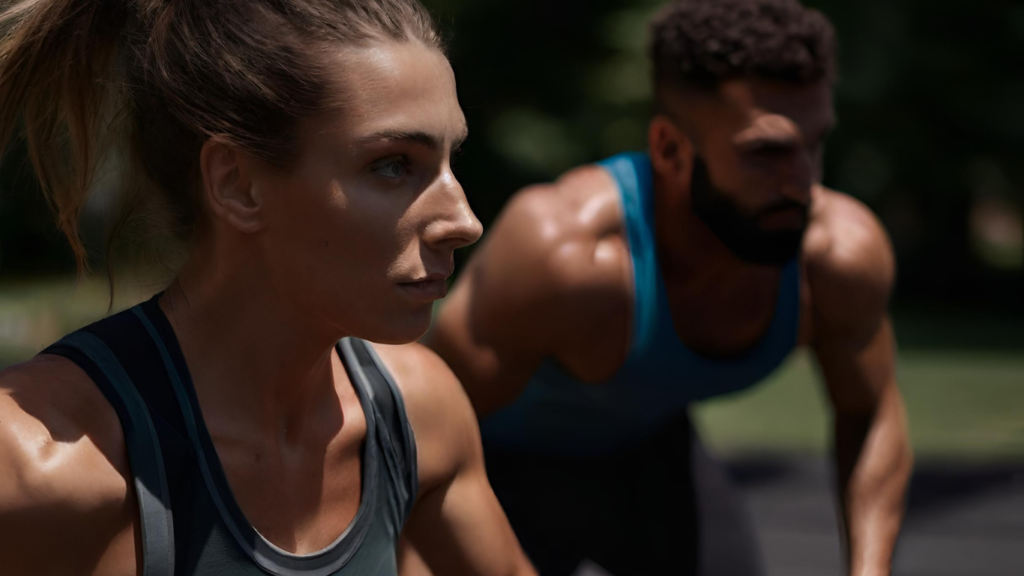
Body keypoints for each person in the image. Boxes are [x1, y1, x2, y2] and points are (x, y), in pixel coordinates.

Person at [0, 1, 535, 575]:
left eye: (453, 159)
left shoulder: (416, 416)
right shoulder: (40, 467)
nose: (464, 221)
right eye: (393, 165)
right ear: (237, 184)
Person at [427, 0, 913, 574]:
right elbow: (418, 429)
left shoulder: (837, 257)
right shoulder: (566, 256)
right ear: (670, 150)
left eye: (814, 145)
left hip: (650, 454)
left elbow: (871, 411)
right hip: (491, 461)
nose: (804, 184)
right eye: (767, 153)